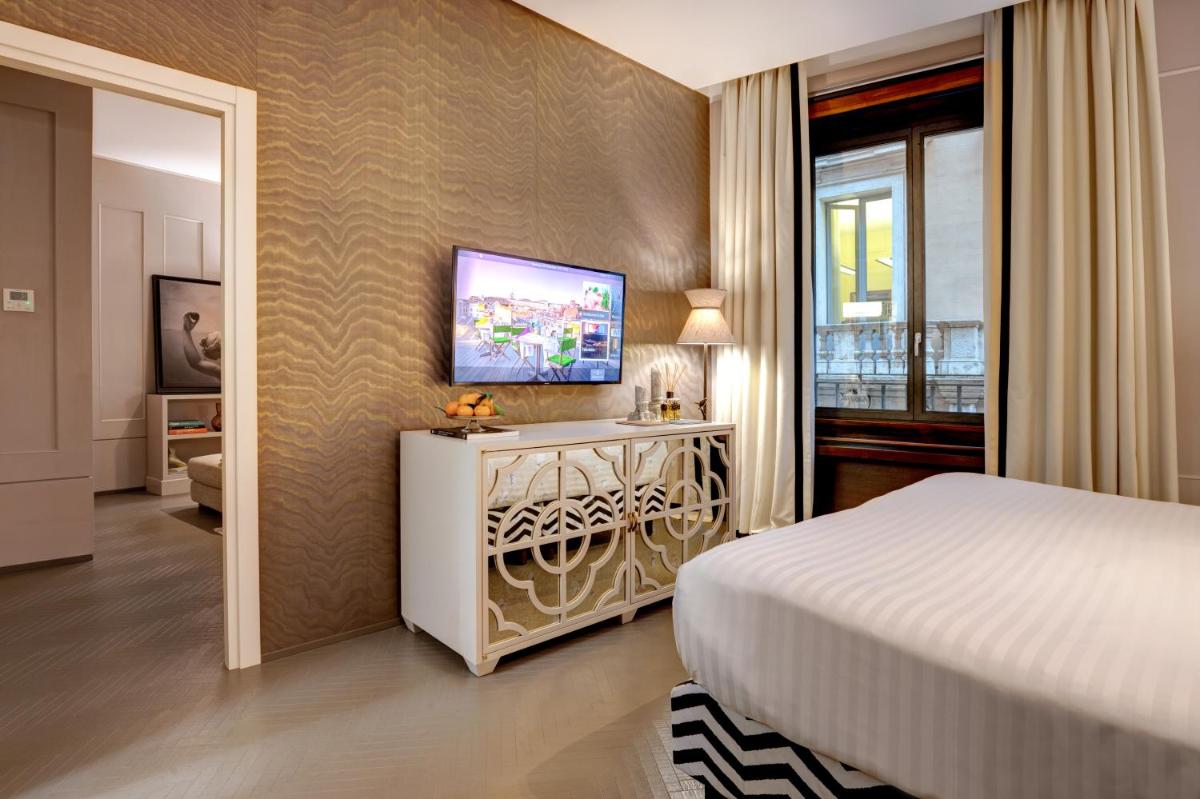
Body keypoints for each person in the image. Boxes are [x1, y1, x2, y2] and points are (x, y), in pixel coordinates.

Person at [182, 311, 221, 379]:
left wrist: (186, 330)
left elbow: (196, 363)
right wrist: (186, 330)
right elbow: (196, 363)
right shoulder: (225, 373)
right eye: (216, 337)